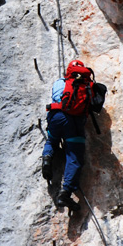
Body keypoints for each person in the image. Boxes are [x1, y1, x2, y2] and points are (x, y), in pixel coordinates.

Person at [42, 60, 93, 207]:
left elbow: (55, 96)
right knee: (74, 157)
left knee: (52, 140)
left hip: (56, 115)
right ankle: (65, 193)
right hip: (74, 122)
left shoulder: (60, 82)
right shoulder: (87, 86)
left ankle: (47, 158)